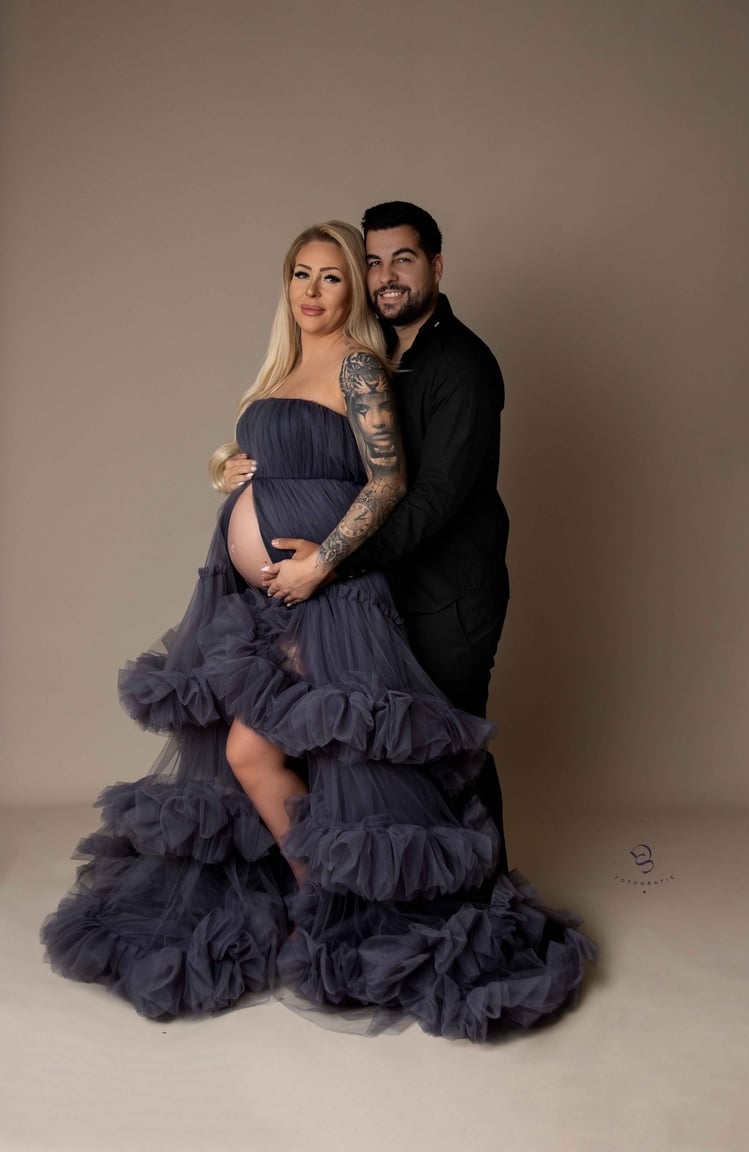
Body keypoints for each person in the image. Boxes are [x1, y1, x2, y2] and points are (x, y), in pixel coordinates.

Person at [42, 220, 593, 1041]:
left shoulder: (360, 366)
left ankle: (335, 909)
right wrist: (226, 469)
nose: (313, 290)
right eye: (302, 273)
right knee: (260, 755)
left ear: (354, 290)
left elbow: (387, 481)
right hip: (266, 597)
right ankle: (320, 899)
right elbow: (277, 462)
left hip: (327, 596)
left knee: (271, 753)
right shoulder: (282, 367)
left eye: (333, 276)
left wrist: (321, 563)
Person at [223, 202, 510, 868]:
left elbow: (425, 493)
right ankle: (338, 887)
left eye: (402, 260)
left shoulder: (460, 364)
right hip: (357, 586)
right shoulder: (376, 347)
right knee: (347, 749)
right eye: (374, 262)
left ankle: (476, 891)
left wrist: (329, 562)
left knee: (445, 752)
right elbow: (331, 455)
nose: (386, 276)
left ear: (436, 265)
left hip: (447, 593)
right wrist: (233, 469)